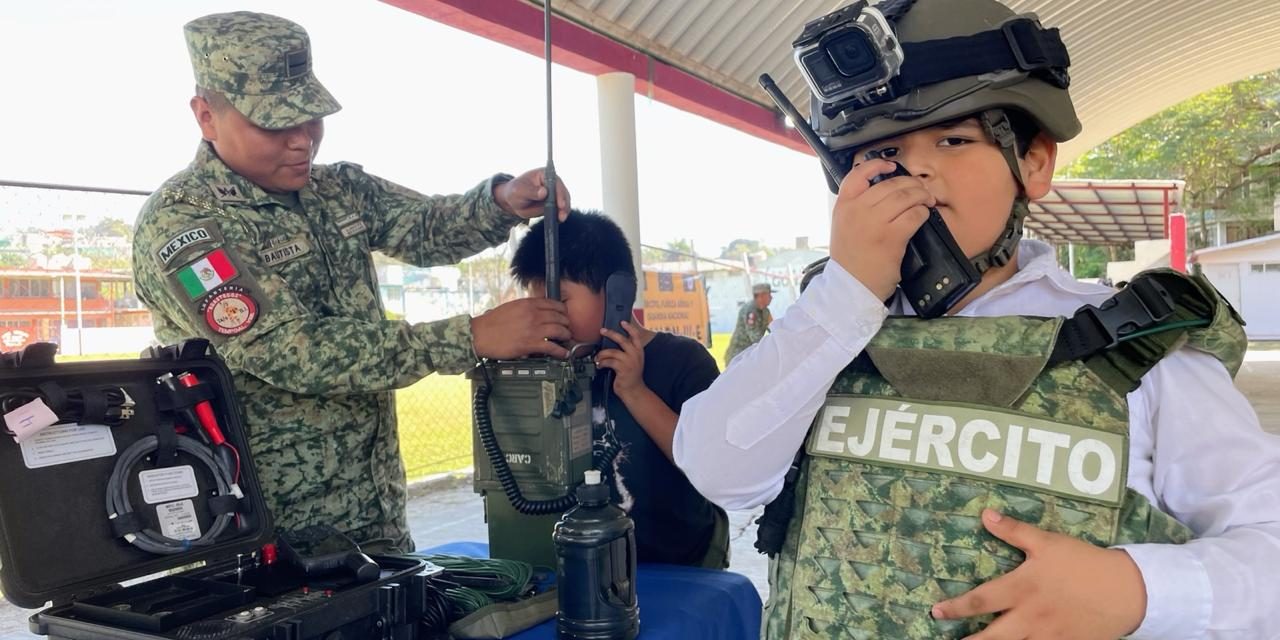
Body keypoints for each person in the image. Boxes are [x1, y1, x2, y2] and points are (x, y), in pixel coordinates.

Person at [672, 1, 1280, 638]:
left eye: (954, 140)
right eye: (881, 151)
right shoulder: (826, 328)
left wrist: (1137, 589)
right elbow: (717, 472)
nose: (918, 169)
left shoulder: (1137, 341)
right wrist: (846, 298)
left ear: (1035, 162)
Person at [132, 11, 574, 553]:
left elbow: (426, 227)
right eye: (275, 123)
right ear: (206, 115)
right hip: (265, 533)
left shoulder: (334, 189)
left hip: (375, 512)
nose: (302, 142)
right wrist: (469, 337)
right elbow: (288, 350)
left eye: (311, 117)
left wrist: (503, 200)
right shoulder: (184, 224)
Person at [509, 212, 730, 568]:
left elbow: (710, 465)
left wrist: (635, 391)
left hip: (677, 569)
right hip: (582, 567)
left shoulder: (684, 362)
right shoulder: (551, 369)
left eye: (560, 301)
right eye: (537, 304)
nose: (546, 316)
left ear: (618, 293)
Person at [724, 283, 774, 364]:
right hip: (738, 356)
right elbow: (755, 337)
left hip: (750, 355)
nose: (771, 297)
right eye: (769, 295)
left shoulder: (765, 311)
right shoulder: (750, 311)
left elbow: (773, 328)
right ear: (760, 296)